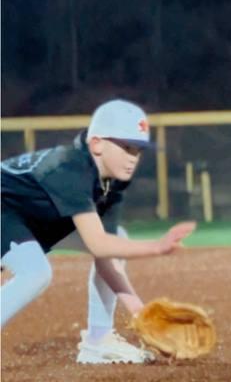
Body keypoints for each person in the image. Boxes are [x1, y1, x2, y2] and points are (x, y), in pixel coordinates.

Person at [1, 99, 196, 364]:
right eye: (126, 147)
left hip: (31, 221)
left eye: (137, 150)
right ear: (96, 144)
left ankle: (99, 341)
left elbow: (107, 255)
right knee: (35, 272)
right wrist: (157, 246)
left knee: (120, 239)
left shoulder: (111, 184)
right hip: (6, 213)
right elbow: (98, 244)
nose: (133, 158)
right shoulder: (69, 167)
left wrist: (139, 312)